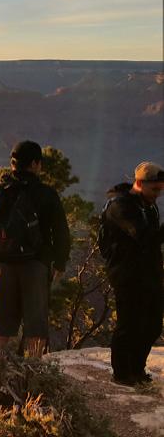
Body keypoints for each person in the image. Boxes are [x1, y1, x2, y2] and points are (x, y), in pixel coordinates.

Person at [0, 141, 70, 358]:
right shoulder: (45, 193)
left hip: (3, 263)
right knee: (35, 322)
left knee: (1, 320)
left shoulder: (0, 189)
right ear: (35, 164)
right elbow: (60, 231)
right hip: (34, 264)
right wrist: (59, 263)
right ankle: (33, 371)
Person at [100, 161, 164, 386]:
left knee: (153, 324)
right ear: (139, 183)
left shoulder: (148, 205)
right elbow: (143, 236)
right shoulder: (120, 206)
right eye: (154, 189)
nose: (157, 195)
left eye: (160, 190)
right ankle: (121, 373)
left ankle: (137, 369)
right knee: (129, 324)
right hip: (126, 274)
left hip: (150, 273)